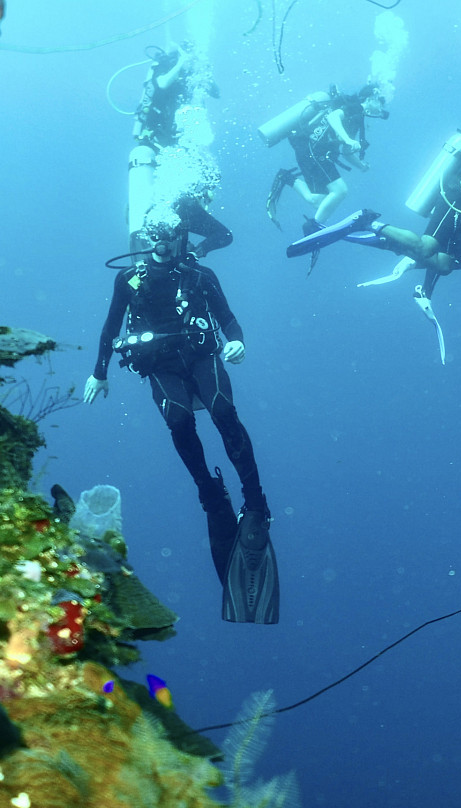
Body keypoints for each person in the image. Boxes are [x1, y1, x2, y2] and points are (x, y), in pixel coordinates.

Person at [83, 222, 278, 623]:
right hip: (161, 366)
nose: (163, 242)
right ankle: (209, 491)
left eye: (171, 234)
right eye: (155, 235)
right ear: (145, 238)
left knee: (224, 412)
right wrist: (99, 372)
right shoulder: (128, 279)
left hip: (201, 357)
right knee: (178, 421)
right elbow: (110, 326)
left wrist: (238, 340)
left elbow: (227, 319)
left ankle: (256, 501)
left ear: (181, 237)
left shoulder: (200, 275)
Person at [288, 106, 461, 297]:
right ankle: (367, 222)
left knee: (448, 264)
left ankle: (390, 246)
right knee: (425, 249)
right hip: (455, 205)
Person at [266, 83, 388, 235]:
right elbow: (333, 117)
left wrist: (361, 165)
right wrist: (349, 140)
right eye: (381, 101)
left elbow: (346, 151)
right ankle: (313, 228)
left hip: (311, 150)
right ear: (372, 98)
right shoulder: (357, 107)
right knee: (340, 191)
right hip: (315, 149)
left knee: (319, 201)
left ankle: (286, 177)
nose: (382, 107)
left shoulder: (357, 117)